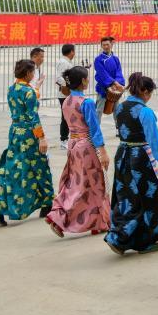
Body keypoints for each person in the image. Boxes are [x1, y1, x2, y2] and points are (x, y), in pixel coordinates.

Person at [106, 73, 158, 255]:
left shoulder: (120, 107)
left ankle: (118, 236)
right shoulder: (145, 112)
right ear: (145, 91)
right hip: (139, 158)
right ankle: (137, 241)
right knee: (144, 200)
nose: (149, 97)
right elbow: (154, 141)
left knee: (126, 198)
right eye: (150, 93)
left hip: (122, 154)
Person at [46, 66, 111, 238]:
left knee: (76, 182)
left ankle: (98, 222)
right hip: (86, 145)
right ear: (83, 81)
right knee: (94, 185)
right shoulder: (86, 102)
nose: (89, 81)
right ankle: (60, 219)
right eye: (87, 78)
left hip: (73, 143)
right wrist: (103, 151)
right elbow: (94, 128)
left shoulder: (67, 101)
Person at [0, 59, 54, 226]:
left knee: (15, 169)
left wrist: (37, 86)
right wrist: (41, 137)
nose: (34, 74)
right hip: (29, 135)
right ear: (28, 74)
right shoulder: (28, 92)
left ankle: (45, 203)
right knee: (38, 168)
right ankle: (3, 207)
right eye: (32, 72)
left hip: (15, 133)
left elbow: (26, 101)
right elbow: (33, 115)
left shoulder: (13, 89)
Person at [94, 36, 125, 118]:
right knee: (99, 110)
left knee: (117, 110)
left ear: (111, 44)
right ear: (101, 46)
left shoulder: (116, 59)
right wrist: (114, 83)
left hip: (115, 88)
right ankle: (95, 130)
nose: (105, 47)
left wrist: (117, 83)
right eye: (103, 45)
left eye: (107, 44)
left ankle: (119, 129)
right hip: (103, 88)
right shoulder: (98, 59)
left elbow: (119, 72)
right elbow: (102, 74)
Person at [54, 43, 76, 150]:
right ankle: (63, 140)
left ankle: (67, 138)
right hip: (64, 94)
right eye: (74, 51)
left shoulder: (67, 62)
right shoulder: (63, 62)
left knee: (69, 117)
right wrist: (68, 87)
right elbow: (59, 78)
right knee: (65, 117)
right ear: (71, 51)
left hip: (68, 93)